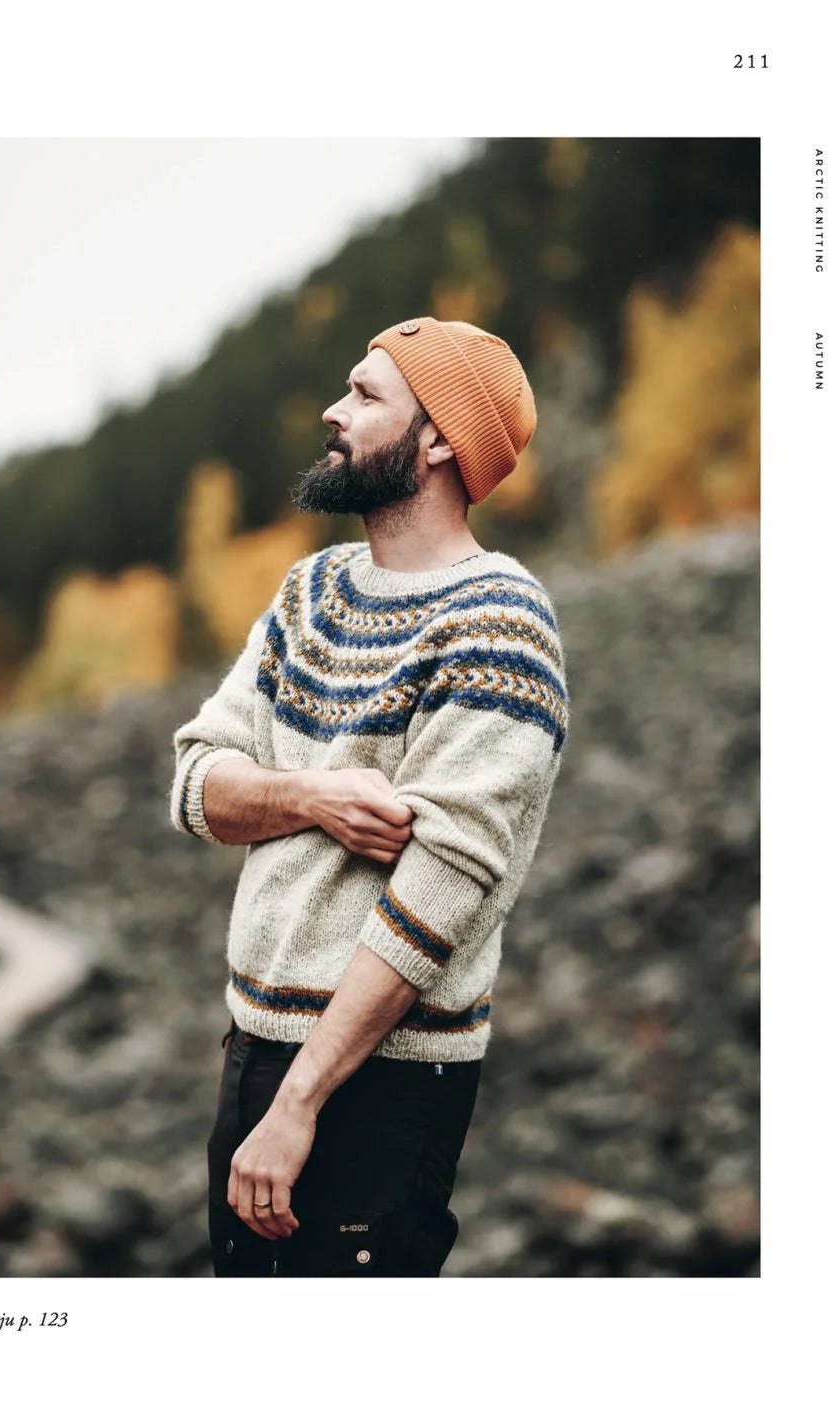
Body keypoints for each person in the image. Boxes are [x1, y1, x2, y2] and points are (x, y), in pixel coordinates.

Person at [167, 316, 568, 1276]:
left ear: (438, 440)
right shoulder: (312, 592)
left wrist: (300, 1104)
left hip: (383, 1081)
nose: (332, 411)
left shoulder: (499, 623)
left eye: (364, 395)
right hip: (254, 1053)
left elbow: (444, 884)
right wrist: (312, 795)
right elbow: (196, 782)